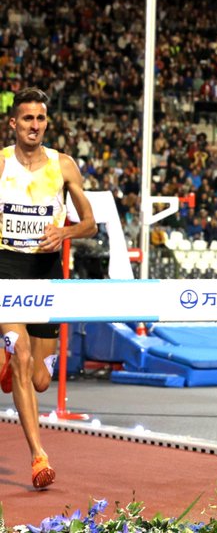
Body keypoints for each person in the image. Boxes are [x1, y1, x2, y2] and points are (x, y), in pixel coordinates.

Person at [0, 88, 97, 488]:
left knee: (40, 378)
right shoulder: (1, 163)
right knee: (22, 355)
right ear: (13, 123)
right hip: (6, 267)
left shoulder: (64, 166)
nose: (34, 126)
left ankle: (8, 362)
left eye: (40, 119)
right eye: (27, 119)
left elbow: (90, 224)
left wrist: (65, 231)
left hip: (44, 273)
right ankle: (39, 457)